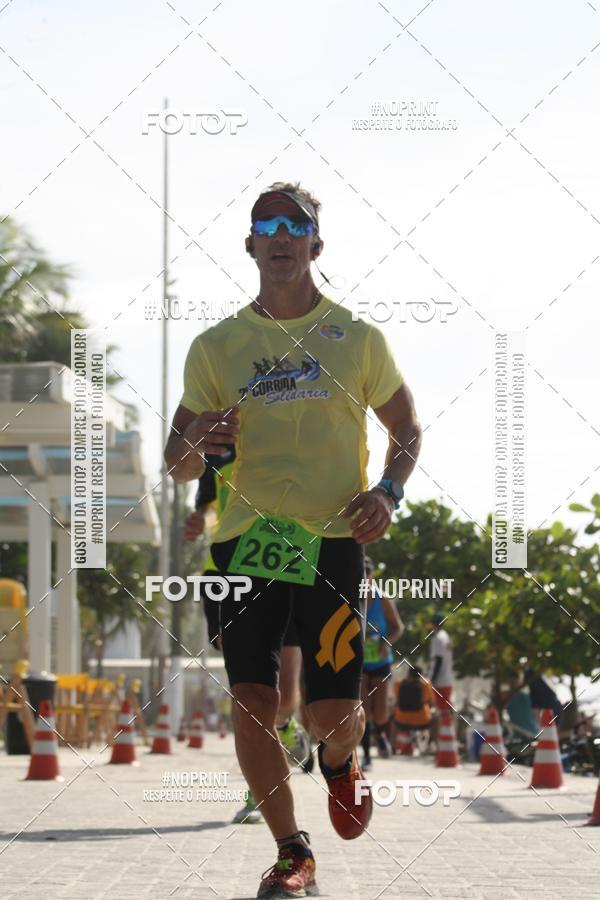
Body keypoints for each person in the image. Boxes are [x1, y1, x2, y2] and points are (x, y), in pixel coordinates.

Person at [165, 181, 421, 898]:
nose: (280, 235)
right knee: (254, 703)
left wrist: (387, 492)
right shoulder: (216, 346)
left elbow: (408, 430)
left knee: (331, 716)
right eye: (266, 224)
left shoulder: (358, 337)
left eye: (295, 224)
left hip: (335, 539)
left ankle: (341, 762)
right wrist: (197, 443)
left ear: (315, 244)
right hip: (244, 544)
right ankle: (290, 853)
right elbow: (175, 461)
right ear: (249, 244)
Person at [184, 451, 310, 827]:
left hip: (287, 567)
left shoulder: (290, 430)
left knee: (284, 696)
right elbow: (209, 508)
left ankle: (287, 726)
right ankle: (259, 794)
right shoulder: (217, 452)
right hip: (225, 575)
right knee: (252, 695)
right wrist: (199, 522)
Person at [360, 557, 404, 767]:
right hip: (359, 662)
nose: (363, 577)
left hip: (380, 661)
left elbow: (398, 627)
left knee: (380, 713)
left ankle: (380, 734)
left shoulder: (382, 598)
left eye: (367, 573)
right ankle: (367, 753)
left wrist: (385, 642)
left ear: (372, 575)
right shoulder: (351, 597)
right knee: (363, 709)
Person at [393, 665, 433, 739]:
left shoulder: (398, 684)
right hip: (423, 721)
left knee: (392, 716)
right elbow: (429, 701)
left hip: (401, 720)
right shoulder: (426, 684)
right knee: (437, 716)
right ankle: (432, 742)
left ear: (408, 674)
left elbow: (396, 700)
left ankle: (393, 744)